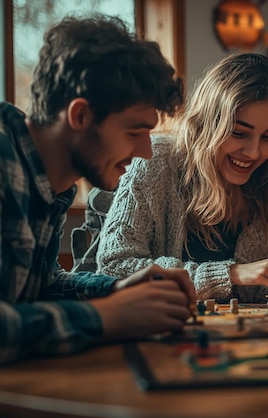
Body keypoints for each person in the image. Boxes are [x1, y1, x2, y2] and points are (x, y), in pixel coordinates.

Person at [0, 15, 195, 365]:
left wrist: (116, 290)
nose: (145, 153)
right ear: (80, 116)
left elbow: (37, 287)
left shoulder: (45, 182)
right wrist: (107, 317)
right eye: (134, 133)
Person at [94, 53, 268, 304]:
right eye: (238, 133)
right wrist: (231, 275)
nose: (253, 152)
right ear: (207, 124)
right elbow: (113, 267)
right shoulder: (154, 161)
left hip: (255, 333)